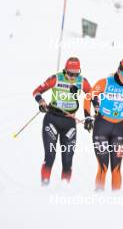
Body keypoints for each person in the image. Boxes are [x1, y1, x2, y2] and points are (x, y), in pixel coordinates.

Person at [84, 58, 123, 191]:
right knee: (103, 167)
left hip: (118, 128)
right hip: (101, 126)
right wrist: (88, 117)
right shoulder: (105, 83)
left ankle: (116, 202)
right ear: (118, 71)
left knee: (116, 168)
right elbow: (88, 97)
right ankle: (98, 199)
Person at [33, 57, 92, 185]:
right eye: (70, 74)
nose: (73, 77)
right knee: (50, 156)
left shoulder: (82, 81)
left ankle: (63, 190)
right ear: (65, 71)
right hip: (52, 120)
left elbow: (93, 96)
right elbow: (36, 91)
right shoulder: (56, 78)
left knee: (67, 160)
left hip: (69, 123)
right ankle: (43, 188)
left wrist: (90, 116)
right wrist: (41, 101)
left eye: (76, 74)